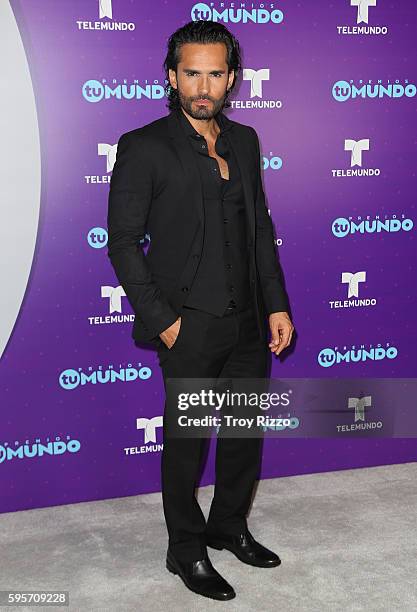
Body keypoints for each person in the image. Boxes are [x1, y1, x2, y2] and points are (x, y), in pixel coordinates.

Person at [107, 19, 294, 601]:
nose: (203, 85)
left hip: (246, 319)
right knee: (187, 444)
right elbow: (122, 241)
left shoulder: (246, 141)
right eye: (192, 73)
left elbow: (259, 229)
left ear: (231, 78)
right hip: (188, 322)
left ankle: (229, 526)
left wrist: (276, 305)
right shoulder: (144, 146)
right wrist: (164, 320)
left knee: (241, 434)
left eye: (215, 73)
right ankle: (184, 549)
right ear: (172, 75)